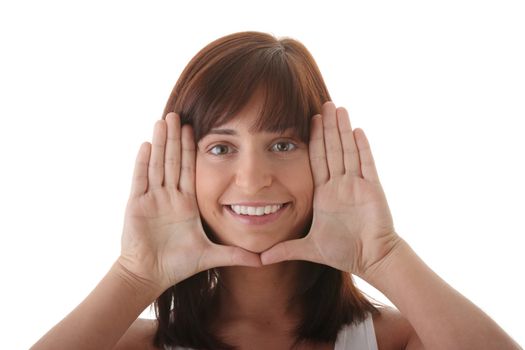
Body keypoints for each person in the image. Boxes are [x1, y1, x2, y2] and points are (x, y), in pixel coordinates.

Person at [30, 31, 521, 350]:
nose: (252, 178)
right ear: (182, 165)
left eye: (282, 143)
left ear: (323, 157)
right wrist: (135, 276)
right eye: (221, 148)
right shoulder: (131, 344)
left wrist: (384, 255)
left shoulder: (398, 339)